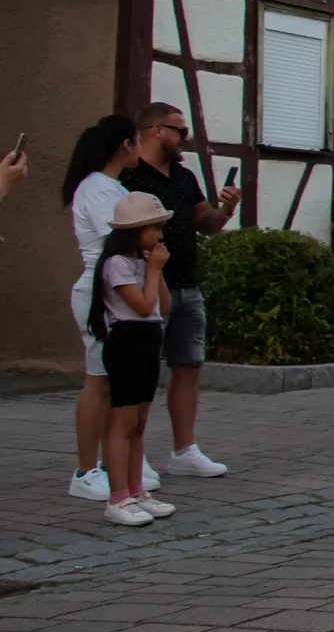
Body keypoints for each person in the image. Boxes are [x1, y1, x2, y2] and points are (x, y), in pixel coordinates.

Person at [121, 103, 236, 477]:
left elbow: (208, 224)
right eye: (180, 131)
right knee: (142, 371)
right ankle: (132, 454)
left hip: (188, 284)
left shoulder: (184, 177)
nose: (185, 138)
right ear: (156, 130)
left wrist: (227, 210)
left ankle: (184, 450)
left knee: (188, 367)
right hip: (150, 285)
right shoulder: (131, 176)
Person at [60, 115, 146, 501]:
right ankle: (85, 469)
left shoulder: (111, 186)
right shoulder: (97, 188)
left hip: (116, 288)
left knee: (117, 381)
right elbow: (117, 236)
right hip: (100, 291)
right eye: (137, 141)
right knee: (99, 379)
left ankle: (116, 464)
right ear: (125, 146)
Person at [89, 192, 178, 527]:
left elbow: (162, 305)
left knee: (139, 423)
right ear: (136, 230)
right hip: (126, 340)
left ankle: (137, 490)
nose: (160, 234)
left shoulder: (143, 263)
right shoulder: (117, 264)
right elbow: (141, 305)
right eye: (155, 228)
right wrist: (153, 270)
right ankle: (118, 497)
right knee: (122, 423)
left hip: (149, 339)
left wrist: (157, 270)